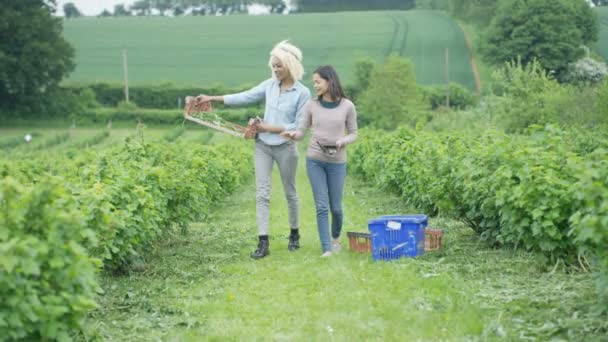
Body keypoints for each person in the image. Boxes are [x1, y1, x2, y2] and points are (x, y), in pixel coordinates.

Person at [195, 40, 311, 259]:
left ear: (291, 65)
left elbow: (298, 125)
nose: (275, 70)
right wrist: (214, 98)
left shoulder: (302, 93)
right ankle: (263, 242)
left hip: (286, 147)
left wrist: (269, 126)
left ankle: (294, 234)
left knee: (290, 193)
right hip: (263, 146)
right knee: (262, 193)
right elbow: (246, 96)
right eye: (273, 66)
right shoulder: (269, 85)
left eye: (279, 66)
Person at [281, 65, 358, 257]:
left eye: (318, 81)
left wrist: (342, 141)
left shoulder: (347, 106)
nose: (314, 85)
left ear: (330, 81)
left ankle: (335, 238)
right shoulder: (312, 105)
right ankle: (326, 248)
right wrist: (292, 134)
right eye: (313, 82)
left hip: (337, 161)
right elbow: (301, 131)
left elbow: (354, 133)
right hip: (315, 159)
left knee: (336, 208)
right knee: (322, 206)